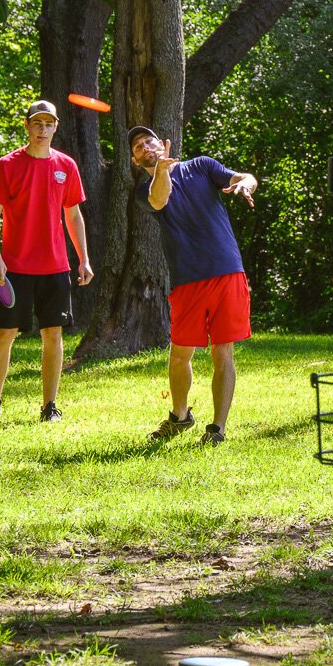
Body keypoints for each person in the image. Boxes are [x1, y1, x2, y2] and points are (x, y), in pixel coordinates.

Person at [130, 125, 257, 445]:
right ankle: (180, 415)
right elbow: (160, 200)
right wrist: (160, 171)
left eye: (149, 140)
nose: (146, 146)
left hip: (227, 270)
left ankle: (217, 429)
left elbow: (242, 176)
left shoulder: (200, 165)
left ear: (161, 143)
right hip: (187, 279)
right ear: (135, 160)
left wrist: (244, 183)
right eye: (139, 147)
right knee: (179, 355)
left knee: (222, 353)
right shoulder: (143, 191)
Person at [0, 99, 94, 422]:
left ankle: (49, 407)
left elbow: (73, 215)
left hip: (55, 266)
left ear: (56, 127)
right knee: (5, 332)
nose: (42, 129)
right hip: (13, 267)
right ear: (27, 126)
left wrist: (83, 259)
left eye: (48, 124)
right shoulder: (8, 164)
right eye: (37, 123)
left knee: (53, 334)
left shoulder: (66, 166)